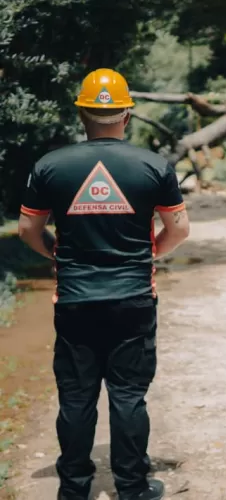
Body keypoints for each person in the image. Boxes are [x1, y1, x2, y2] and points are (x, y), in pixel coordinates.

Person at [17, 68, 191, 500]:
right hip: (132, 300)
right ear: (126, 114)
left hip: (74, 302)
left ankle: (73, 491)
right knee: (128, 397)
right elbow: (179, 229)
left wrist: (57, 253)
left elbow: (27, 229)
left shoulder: (50, 167)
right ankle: (132, 489)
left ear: (82, 115)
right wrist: (147, 254)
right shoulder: (153, 166)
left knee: (76, 398)